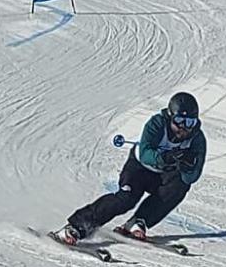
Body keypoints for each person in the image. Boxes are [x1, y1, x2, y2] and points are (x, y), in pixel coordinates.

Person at [55, 92, 206, 244]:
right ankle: (76, 227)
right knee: (126, 198)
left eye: (190, 122)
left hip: (163, 176)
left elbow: (192, 178)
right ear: (170, 116)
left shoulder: (197, 139)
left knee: (180, 187)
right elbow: (145, 153)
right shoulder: (157, 124)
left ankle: (138, 221)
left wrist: (187, 166)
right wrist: (163, 158)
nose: (184, 128)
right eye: (180, 120)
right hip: (139, 168)